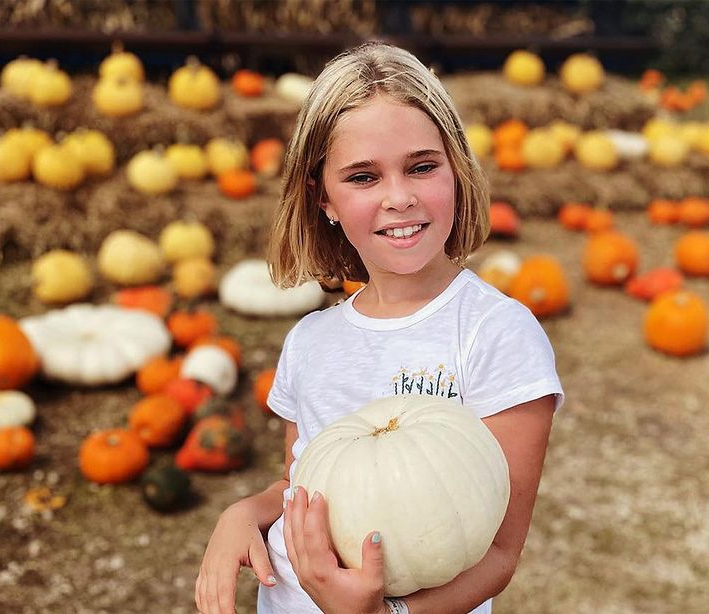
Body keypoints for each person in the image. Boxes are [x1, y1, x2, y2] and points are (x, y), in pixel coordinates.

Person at [195, 41, 563, 614]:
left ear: (457, 169)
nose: (400, 198)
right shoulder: (311, 342)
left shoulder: (495, 335)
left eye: (421, 166)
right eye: (363, 177)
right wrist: (243, 513)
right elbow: (306, 487)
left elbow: (498, 554)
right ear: (324, 199)